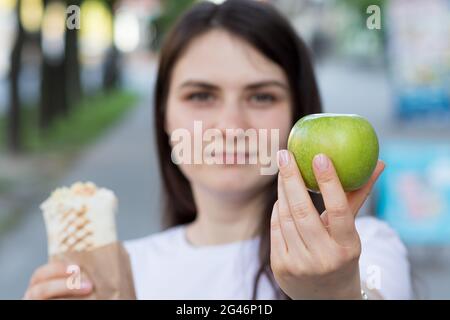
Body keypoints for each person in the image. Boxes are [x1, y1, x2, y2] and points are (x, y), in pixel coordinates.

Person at [24, 0, 411, 300]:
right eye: (201, 95)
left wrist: (337, 293)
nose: (231, 127)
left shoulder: (360, 251)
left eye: (261, 96)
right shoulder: (113, 272)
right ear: (163, 115)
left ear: (298, 115)